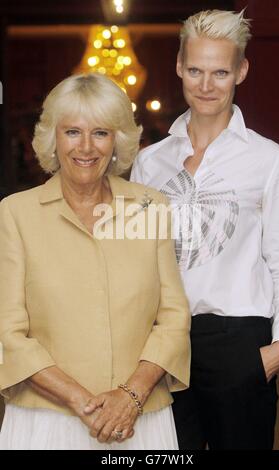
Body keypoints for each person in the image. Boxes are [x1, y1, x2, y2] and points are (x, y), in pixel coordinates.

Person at [0, 73, 191, 450]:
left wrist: (130, 396)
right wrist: (82, 403)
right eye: (72, 132)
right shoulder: (16, 214)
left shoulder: (150, 207)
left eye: (100, 133)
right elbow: (9, 333)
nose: (85, 147)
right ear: (53, 138)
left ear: (117, 141)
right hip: (47, 423)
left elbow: (173, 317)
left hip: (139, 419)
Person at [131, 9, 279, 450]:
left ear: (241, 70)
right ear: (180, 66)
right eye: (197, 70)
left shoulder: (268, 159)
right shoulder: (151, 162)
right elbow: (137, 260)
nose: (206, 85)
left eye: (220, 72)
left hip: (242, 342)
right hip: (166, 343)